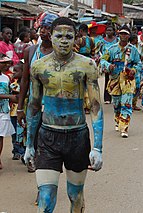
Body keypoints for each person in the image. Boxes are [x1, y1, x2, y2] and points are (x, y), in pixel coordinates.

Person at [24, 17, 104, 212]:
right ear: (50, 37)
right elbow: (34, 106)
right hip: (48, 136)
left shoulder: (87, 66)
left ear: (76, 38)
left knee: (75, 195)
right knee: (45, 196)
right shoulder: (39, 66)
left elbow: (95, 106)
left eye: (69, 36)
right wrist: (28, 145)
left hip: (77, 137)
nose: (64, 40)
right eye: (59, 35)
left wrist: (98, 148)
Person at [17, 12, 59, 173]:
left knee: (49, 144)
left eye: (48, 28)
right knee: (32, 141)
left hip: (53, 106)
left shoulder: (60, 53)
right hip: (34, 106)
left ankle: (44, 183)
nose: (43, 32)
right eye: (42, 27)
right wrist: (20, 108)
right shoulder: (31, 51)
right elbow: (25, 80)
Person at [100, 26, 142, 138]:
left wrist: (134, 70)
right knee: (117, 103)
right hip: (115, 79)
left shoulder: (133, 50)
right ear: (119, 35)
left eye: (126, 34)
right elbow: (103, 60)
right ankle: (118, 120)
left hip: (128, 80)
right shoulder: (112, 49)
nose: (123, 36)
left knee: (126, 102)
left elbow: (139, 63)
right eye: (122, 33)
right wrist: (109, 66)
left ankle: (124, 127)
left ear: (129, 35)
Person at [0, 54, 17, 169]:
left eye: (8, 63)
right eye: (3, 63)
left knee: (0, 136)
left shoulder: (6, 78)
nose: (6, 65)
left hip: (3, 111)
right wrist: (9, 97)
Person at [103, 25, 118, 104]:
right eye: (107, 30)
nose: (109, 32)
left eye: (110, 30)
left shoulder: (117, 40)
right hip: (106, 62)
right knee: (107, 79)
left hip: (115, 60)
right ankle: (107, 98)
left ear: (114, 31)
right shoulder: (102, 41)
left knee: (116, 79)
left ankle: (115, 95)